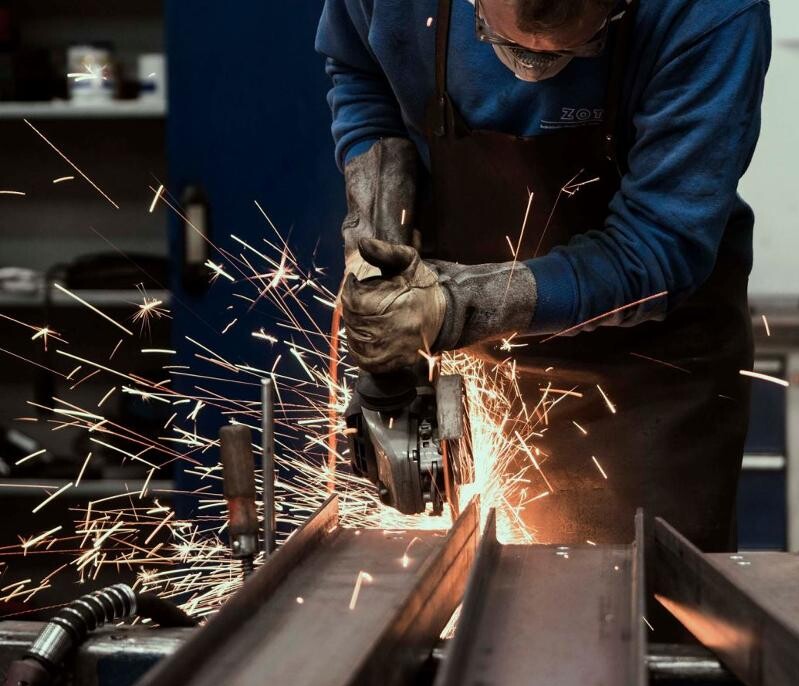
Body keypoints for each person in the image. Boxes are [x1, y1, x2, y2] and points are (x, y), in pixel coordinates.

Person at [316, 0, 772, 549]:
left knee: (642, 612)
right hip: (473, 365)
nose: (532, 68)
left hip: (650, 372)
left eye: (576, 47)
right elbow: (363, 74)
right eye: (501, 39)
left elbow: (660, 244)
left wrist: (454, 307)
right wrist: (380, 234)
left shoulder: (710, 12)